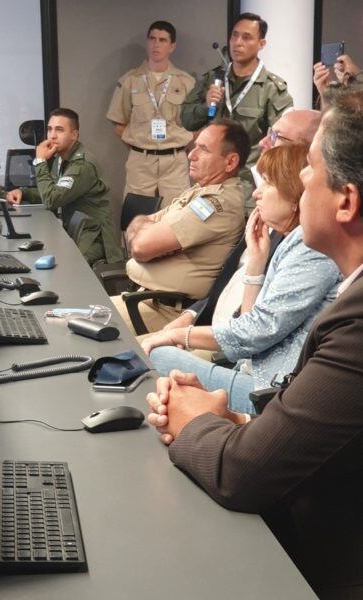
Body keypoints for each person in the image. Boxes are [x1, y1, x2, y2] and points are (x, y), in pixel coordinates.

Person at [146, 86, 363, 598]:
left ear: (347, 200)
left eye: (308, 166)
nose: (296, 178)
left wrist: (193, 415)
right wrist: (238, 421)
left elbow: (238, 475)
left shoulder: (357, 326)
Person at [142, 143, 341, 414]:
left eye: (267, 184)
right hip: (253, 371)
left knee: (155, 356)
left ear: (295, 195)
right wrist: (257, 265)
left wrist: (180, 334)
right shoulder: (287, 242)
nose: (257, 193)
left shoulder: (310, 248)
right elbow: (253, 329)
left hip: (268, 392)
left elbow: (258, 331)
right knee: (152, 359)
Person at [150, 108, 322, 338]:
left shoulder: (303, 240)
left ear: (309, 153)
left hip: (225, 341)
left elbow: (255, 333)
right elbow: (227, 283)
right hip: (206, 324)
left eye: (276, 136)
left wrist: (183, 336)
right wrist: (189, 317)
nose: (263, 142)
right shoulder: (265, 216)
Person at [110, 119, 248, 334]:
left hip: (166, 313)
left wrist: (147, 230)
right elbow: (140, 223)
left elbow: (140, 247)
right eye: (194, 147)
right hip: (143, 300)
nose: (191, 154)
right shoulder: (198, 192)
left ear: (230, 163)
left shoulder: (217, 203)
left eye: (203, 150)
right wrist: (144, 225)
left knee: (70, 328)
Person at [181, 12, 293, 214]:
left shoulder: (271, 87)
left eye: (247, 37)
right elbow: (186, 120)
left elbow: (285, 138)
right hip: (210, 183)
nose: (238, 42)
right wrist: (206, 106)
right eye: (234, 35)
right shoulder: (212, 79)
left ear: (261, 44)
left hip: (248, 188)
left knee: (244, 244)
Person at [5, 108, 123, 266]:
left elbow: (52, 200)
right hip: (76, 232)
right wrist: (23, 193)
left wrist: (40, 162)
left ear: (74, 135)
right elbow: (53, 190)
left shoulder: (82, 165)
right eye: (49, 129)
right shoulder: (60, 158)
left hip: (94, 238)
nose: (52, 135)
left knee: (65, 268)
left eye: (59, 130)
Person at [106, 21, 195, 207]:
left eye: (162, 40)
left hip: (175, 161)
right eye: (152, 39)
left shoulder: (186, 82)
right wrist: (139, 144)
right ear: (147, 42)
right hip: (140, 160)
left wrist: (180, 148)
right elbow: (119, 125)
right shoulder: (130, 81)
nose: (156, 44)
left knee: (176, 216)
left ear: (172, 46)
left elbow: (196, 125)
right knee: (135, 217)